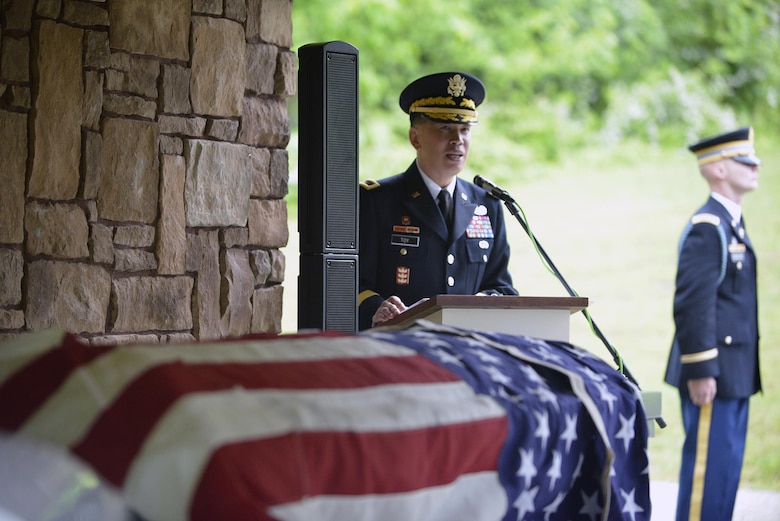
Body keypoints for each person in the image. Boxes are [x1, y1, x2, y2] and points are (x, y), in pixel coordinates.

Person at [358, 72, 517, 330]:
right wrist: (376, 307)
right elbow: (352, 283)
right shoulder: (377, 201)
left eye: (465, 129)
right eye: (445, 128)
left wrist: (484, 302)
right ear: (415, 138)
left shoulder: (487, 205)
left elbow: (501, 285)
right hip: (400, 343)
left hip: (468, 345)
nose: (458, 140)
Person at [664, 126, 762, 521]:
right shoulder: (709, 227)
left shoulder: (729, 222)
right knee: (708, 476)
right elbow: (692, 303)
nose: (755, 166)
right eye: (744, 160)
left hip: (733, 372)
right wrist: (702, 368)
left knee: (724, 475)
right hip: (713, 374)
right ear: (718, 169)